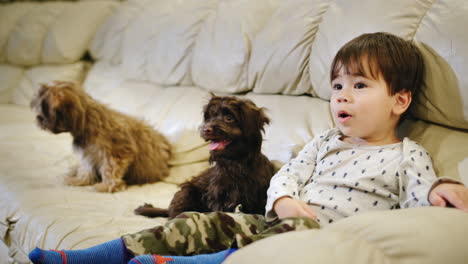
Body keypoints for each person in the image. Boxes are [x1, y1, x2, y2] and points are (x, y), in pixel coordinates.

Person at [28, 32, 468, 264]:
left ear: (401, 100)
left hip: (327, 236)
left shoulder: (408, 154)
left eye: (359, 85)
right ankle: (95, 256)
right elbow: (286, 173)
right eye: (336, 85)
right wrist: (285, 197)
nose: (341, 96)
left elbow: (420, 194)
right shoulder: (323, 141)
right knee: (211, 221)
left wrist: (439, 190)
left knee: (263, 247)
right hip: (273, 219)